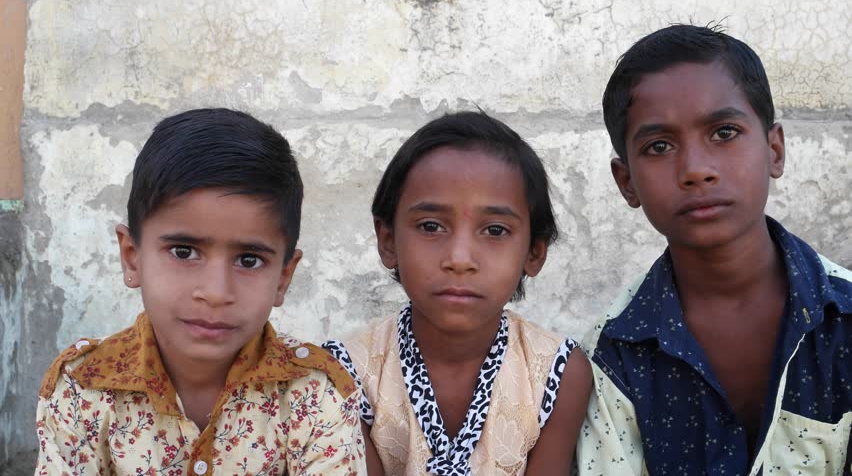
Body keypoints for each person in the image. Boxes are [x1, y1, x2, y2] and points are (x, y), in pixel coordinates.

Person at [576, 24, 852, 475]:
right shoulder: (612, 356)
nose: (696, 170)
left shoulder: (845, 318)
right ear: (627, 183)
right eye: (659, 146)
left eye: (723, 133)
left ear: (774, 150)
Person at [35, 108, 367, 475]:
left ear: (283, 277)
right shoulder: (84, 386)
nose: (215, 292)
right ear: (132, 258)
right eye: (183, 252)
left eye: (249, 259)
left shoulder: (315, 395)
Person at [324, 111, 593, 475]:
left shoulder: (556, 374)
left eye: (495, 231)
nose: (459, 259)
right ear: (387, 240)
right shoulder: (343, 373)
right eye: (431, 226)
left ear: (534, 252)